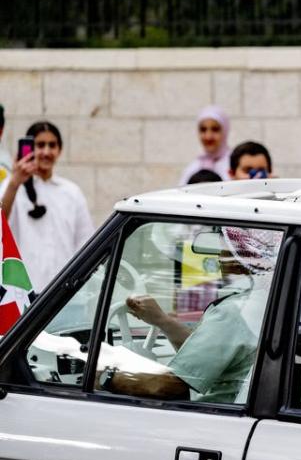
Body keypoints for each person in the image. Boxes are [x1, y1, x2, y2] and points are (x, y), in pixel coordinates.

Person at [99, 227, 282, 403]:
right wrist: (162, 321)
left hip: (214, 420)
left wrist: (106, 377)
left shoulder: (235, 312)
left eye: (227, 249)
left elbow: (168, 386)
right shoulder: (269, 302)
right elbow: (203, 358)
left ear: (244, 259)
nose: (219, 257)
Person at [0, 121, 94, 290]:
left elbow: (85, 243)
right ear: (29, 149)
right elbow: (1, 223)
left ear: (60, 150)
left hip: (64, 294)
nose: (46, 152)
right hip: (23, 292)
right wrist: (14, 182)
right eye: (40, 145)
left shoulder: (72, 192)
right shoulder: (12, 187)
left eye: (52, 145)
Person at [179, 105, 231, 185]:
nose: (208, 136)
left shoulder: (235, 166)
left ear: (225, 131)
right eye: (203, 130)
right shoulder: (192, 169)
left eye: (215, 129)